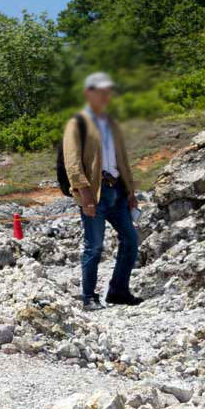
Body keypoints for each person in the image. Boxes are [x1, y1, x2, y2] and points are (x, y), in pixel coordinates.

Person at [62, 72, 140, 310]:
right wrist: (84, 193)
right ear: (89, 93)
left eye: (109, 91)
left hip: (116, 190)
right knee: (94, 246)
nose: (106, 95)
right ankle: (88, 297)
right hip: (95, 194)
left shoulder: (112, 124)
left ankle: (118, 290)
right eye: (101, 91)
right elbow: (72, 161)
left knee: (131, 240)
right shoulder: (78, 123)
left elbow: (122, 161)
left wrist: (130, 192)